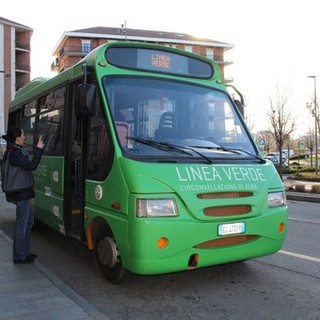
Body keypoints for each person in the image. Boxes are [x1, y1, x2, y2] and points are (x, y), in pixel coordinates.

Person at [1, 126, 44, 264]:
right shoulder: (14, 154)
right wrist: (39, 149)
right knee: (22, 223)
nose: (25, 137)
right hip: (20, 193)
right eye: (23, 134)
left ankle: (24, 252)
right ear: (17, 138)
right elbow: (32, 165)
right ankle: (20, 256)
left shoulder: (14, 151)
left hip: (22, 193)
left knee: (28, 222)